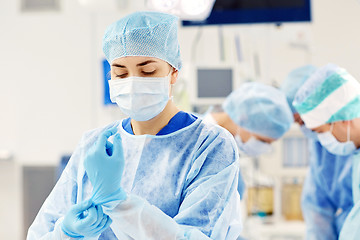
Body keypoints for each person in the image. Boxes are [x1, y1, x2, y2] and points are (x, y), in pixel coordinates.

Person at [27, 11, 243, 240]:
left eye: (147, 71)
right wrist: (67, 233)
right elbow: (41, 234)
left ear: (173, 73)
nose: (132, 82)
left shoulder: (210, 145)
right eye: (120, 73)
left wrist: (117, 203)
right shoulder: (94, 144)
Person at [281, 64, 355, 240]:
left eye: (303, 121)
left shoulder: (346, 140)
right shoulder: (323, 143)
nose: (306, 129)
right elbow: (317, 206)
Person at [203, 82, 294, 197]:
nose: (265, 148)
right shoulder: (190, 136)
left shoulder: (227, 150)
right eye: (263, 141)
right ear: (244, 118)